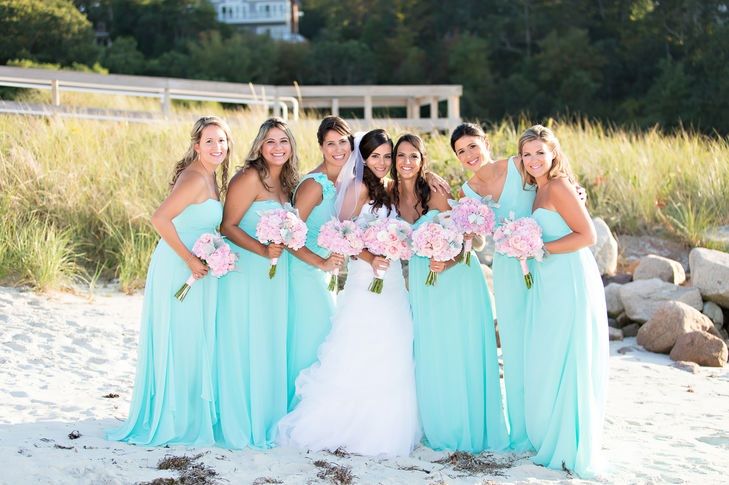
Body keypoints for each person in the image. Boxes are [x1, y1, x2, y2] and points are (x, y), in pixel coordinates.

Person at [277, 129, 420, 456]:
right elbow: (342, 234)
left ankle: (386, 425)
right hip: (365, 279)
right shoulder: (357, 189)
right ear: (363, 159)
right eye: (375, 156)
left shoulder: (389, 189)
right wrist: (372, 257)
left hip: (393, 280)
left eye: (387, 156)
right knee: (362, 344)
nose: (382, 162)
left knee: (394, 344)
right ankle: (349, 426)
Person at [107, 116, 231, 446]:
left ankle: (189, 413)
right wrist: (190, 258)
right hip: (179, 264)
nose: (216, 147)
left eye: (221, 141)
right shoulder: (194, 177)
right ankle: (176, 419)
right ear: (196, 146)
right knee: (180, 336)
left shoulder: (211, 177)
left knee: (193, 338)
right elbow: (159, 218)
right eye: (209, 141)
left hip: (198, 264)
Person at [393, 133, 509, 452]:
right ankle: (440, 423)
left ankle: (468, 424)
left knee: (462, 348)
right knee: (433, 349)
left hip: (457, 276)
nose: (407, 162)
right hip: (423, 279)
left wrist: (448, 258)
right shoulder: (388, 193)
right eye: (400, 156)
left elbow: (464, 239)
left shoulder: (435, 189)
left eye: (414, 156)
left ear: (423, 160)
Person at [519, 124, 608, 478]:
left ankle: (570, 443)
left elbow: (588, 235)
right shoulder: (537, 190)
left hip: (570, 276)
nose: (534, 159)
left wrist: (541, 248)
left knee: (570, 352)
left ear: (554, 153)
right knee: (552, 353)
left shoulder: (557, 185)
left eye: (540, 152)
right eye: (527, 154)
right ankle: (551, 433)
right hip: (548, 279)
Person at [215, 117, 299, 449]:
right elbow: (228, 226)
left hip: (275, 275)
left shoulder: (289, 183)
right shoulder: (248, 178)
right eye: (271, 142)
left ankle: (267, 416)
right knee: (246, 339)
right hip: (248, 270)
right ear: (260, 147)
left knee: (268, 339)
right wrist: (262, 249)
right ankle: (242, 419)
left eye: (283, 141)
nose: (278, 148)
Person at [450, 122, 535, 451]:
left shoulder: (517, 165)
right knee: (513, 348)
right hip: (507, 268)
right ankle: (521, 430)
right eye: (461, 152)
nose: (469, 155)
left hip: (542, 258)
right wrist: (468, 232)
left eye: (473, 146)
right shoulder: (467, 192)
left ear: (485, 142)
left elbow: (550, 186)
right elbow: (480, 238)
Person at [286, 116, 349, 410]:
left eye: (343, 142)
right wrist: (320, 262)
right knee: (317, 335)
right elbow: (289, 235)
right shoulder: (315, 184)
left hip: (323, 271)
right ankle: (300, 406)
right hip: (304, 269)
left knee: (318, 336)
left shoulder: (347, 182)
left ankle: (313, 406)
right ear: (321, 147)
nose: (338, 149)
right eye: (330, 144)